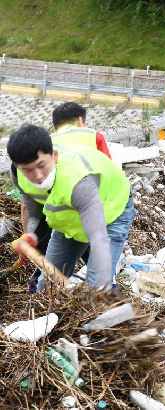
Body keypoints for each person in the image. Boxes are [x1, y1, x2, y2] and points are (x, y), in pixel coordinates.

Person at [8, 124, 135, 291]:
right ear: (18, 167)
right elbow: (36, 215)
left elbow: (98, 237)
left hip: (111, 210)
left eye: (42, 165)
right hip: (71, 216)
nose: (37, 176)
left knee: (96, 289)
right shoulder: (19, 175)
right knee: (47, 287)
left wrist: (101, 288)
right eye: (28, 170)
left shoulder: (79, 181)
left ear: (54, 156)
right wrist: (31, 237)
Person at [17, 102, 113, 292]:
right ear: (80, 121)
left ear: (54, 127)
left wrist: (29, 236)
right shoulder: (93, 136)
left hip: (58, 214)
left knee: (50, 271)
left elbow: (27, 206)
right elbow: (107, 176)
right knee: (98, 267)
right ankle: (104, 294)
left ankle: (39, 300)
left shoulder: (44, 144)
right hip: (90, 212)